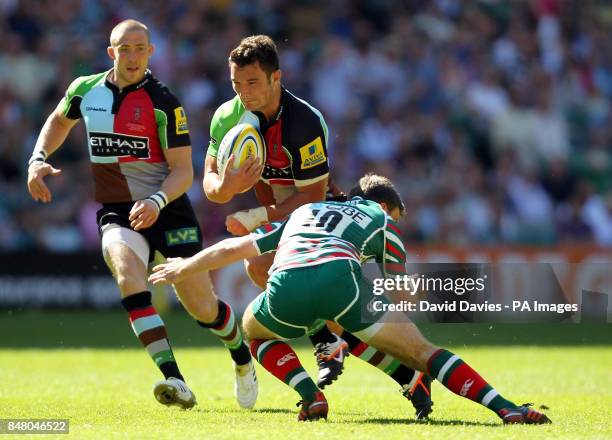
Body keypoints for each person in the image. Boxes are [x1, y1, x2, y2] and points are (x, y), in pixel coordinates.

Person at [150, 173, 552, 424]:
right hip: (342, 286)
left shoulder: (305, 211)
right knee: (422, 350)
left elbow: (237, 248)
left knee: (255, 335)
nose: (395, 221)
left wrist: (185, 267)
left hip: (286, 287)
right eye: (396, 213)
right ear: (383, 206)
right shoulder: (380, 221)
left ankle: (311, 396)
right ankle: (503, 406)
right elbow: (397, 290)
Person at [26, 19, 257, 410]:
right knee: (126, 273)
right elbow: (58, 121)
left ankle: (240, 357)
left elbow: (184, 170)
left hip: (168, 209)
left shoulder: (164, 102)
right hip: (118, 211)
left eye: (140, 48)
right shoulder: (85, 90)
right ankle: (174, 379)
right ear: (110, 53)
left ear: (151, 53)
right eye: (124, 48)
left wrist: (155, 203)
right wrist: (37, 159)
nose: (132, 56)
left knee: (203, 308)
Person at [202, 34, 433, 418]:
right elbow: (211, 185)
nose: (243, 92)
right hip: (281, 218)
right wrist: (226, 186)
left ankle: (366, 357)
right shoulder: (227, 117)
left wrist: (258, 216)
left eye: (253, 82)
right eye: (236, 84)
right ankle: (398, 373)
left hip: (316, 221)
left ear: (277, 77)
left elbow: (311, 198)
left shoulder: (303, 122)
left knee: (269, 274)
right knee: (297, 294)